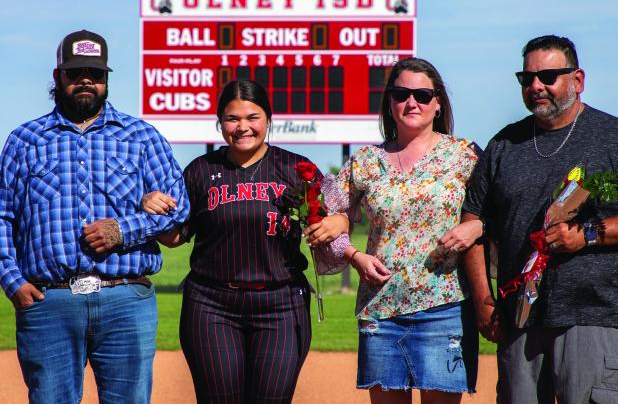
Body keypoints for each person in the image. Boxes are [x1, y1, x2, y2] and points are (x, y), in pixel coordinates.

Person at [0, 29, 189, 403]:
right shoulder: (25, 139)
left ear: (106, 79)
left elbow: (180, 208)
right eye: (75, 73)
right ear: (58, 78)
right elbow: (3, 216)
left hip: (125, 300)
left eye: (96, 73)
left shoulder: (141, 136)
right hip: (48, 302)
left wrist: (123, 229)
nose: (86, 80)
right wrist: (11, 280)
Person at [141, 79, 346, 403]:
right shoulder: (200, 171)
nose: (242, 127)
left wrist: (341, 219)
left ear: (268, 119)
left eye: (252, 117)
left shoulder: (296, 168)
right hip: (211, 304)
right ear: (220, 123)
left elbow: (334, 214)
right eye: (232, 119)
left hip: (281, 302)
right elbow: (175, 236)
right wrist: (149, 203)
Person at [308, 57, 483, 404]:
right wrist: (353, 254)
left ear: (437, 103)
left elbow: (501, 210)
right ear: (389, 103)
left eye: (421, 94)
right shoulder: (365, 162)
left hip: (444, 308)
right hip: (381, 310)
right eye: (401, 93)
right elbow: (323, 215)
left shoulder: (464, 154)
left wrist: (478, 225)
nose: (411, 102)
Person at [462, 35, 618, 403]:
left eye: (548, 76)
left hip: (592, 314)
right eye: (526, 78)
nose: (536, 86)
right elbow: (473, 222)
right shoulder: (504, 145)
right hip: (520, 316)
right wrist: (485, 303)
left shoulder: (611, 138)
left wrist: (587, 235)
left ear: (577, 80)